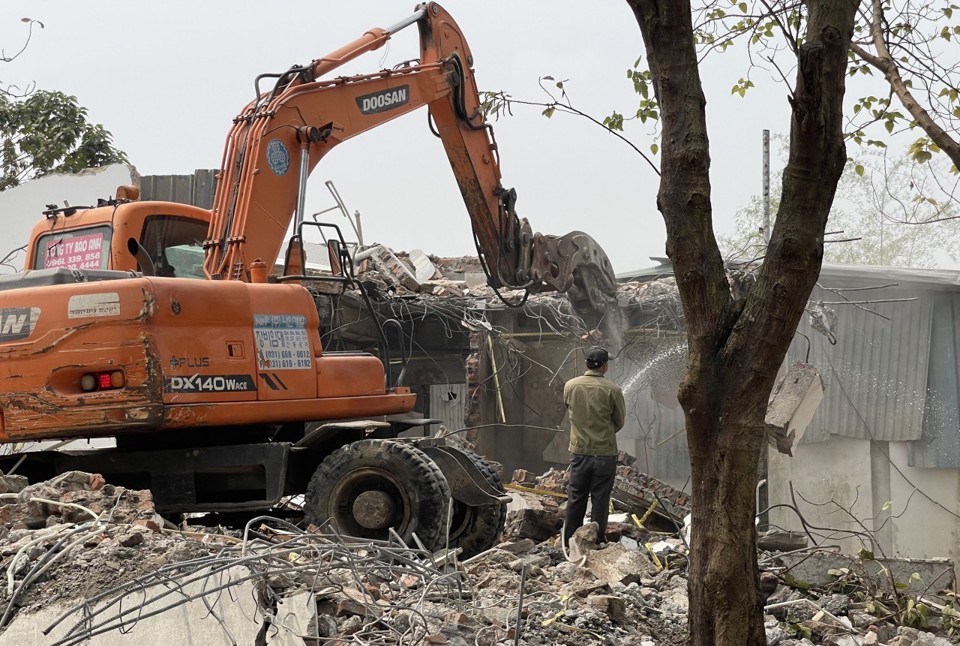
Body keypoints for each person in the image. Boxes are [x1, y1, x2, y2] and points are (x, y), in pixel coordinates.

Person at [562, 346, 626, 547]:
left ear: (586, 364)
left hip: (579, 452)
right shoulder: (613, 390)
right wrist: (603, 433)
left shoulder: (570, 386)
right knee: (600, 499)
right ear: (605, 366)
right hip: (605, 454)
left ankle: (569, 540)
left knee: (576, 497)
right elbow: (619, 421)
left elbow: (569, 409)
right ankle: (597, 540)